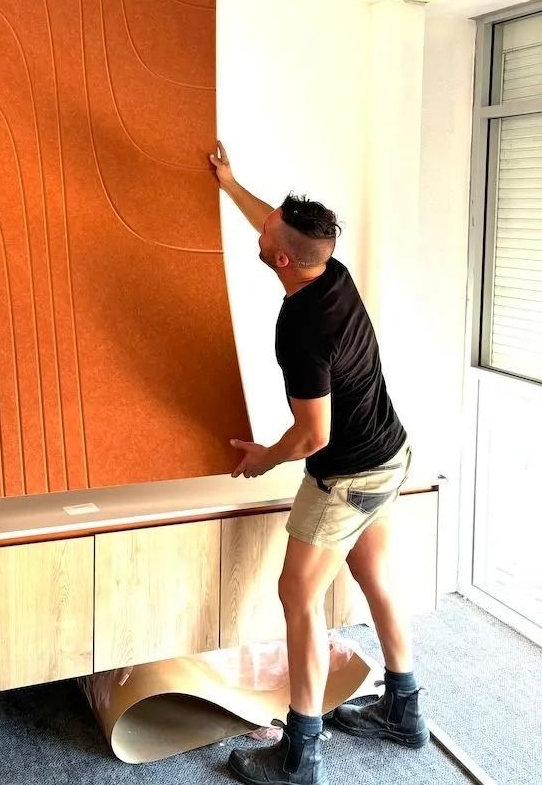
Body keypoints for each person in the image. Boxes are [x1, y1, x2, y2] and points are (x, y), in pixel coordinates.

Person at [209, 143, 427, 785]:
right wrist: (229, 183)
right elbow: (276, 227)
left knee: (297, 594)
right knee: (374, 575)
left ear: (282, 259)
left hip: (349, 475)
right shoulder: (329, 269)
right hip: (391, 455)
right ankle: (404, 710)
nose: (266, 223)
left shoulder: (302, 327)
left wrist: (261, 458)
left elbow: (311, 435)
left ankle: (299, 755)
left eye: (270, 229)